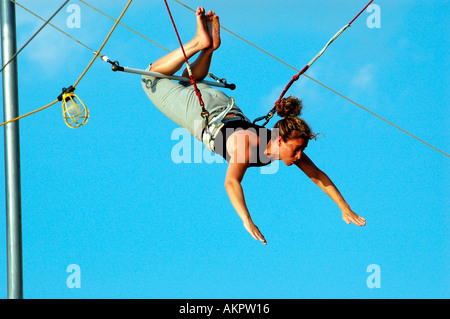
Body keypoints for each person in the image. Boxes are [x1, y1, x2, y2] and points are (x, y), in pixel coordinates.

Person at [142, 7, 366, 245]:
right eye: (297, 149)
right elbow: (231, 182)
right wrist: (247, 220)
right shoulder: (249, 147)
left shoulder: (285, 144)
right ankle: (199, 42)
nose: (300, 155)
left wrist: (345, 207)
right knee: (150, 78)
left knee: (185, 80)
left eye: (301, 150)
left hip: (220, 105)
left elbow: (318, 176)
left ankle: (209, 49)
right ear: (281, 140)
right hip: (204, 112)